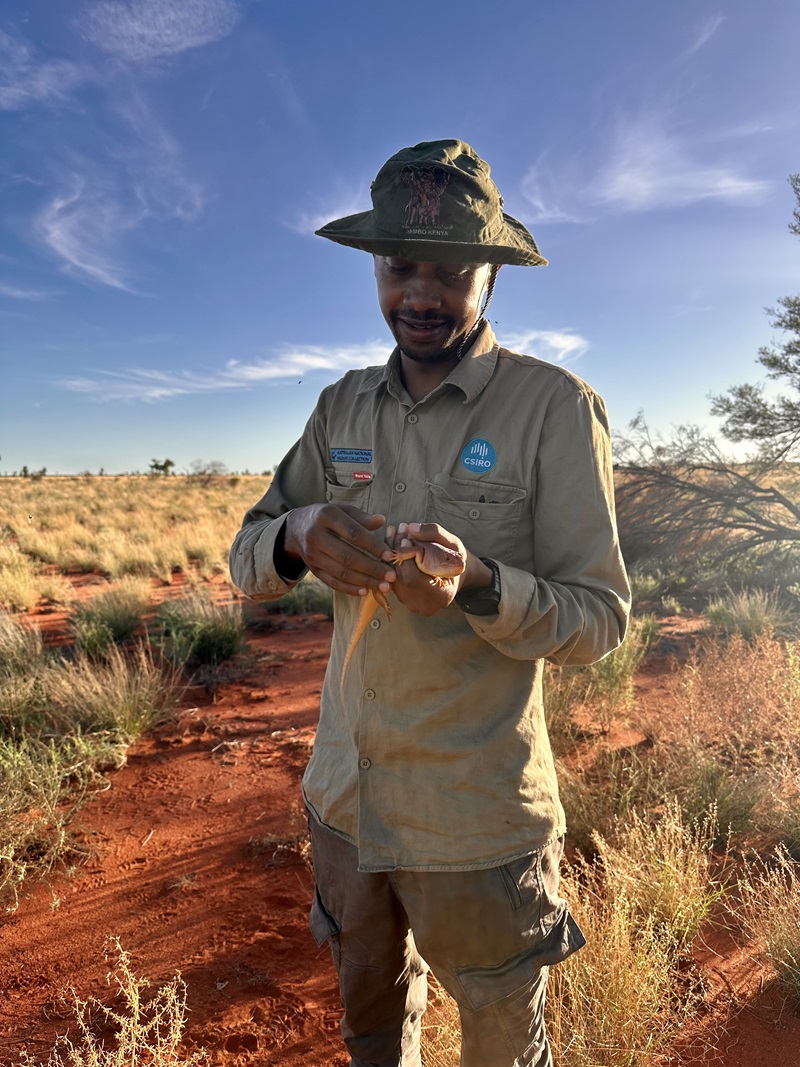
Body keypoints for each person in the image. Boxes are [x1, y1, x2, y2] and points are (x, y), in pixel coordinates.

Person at [230, 139, 630, 1067]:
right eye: (399, 265)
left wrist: (482, 582)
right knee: (373, 1035)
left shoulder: (555, 408)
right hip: (347, 805)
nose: (420, 292)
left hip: (479, 819)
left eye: (450, 270)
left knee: (499, 1044)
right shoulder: (339, 408)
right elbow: (247, 553)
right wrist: (297, 535)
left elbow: (599, 617)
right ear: (375, 266)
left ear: (491, 275)